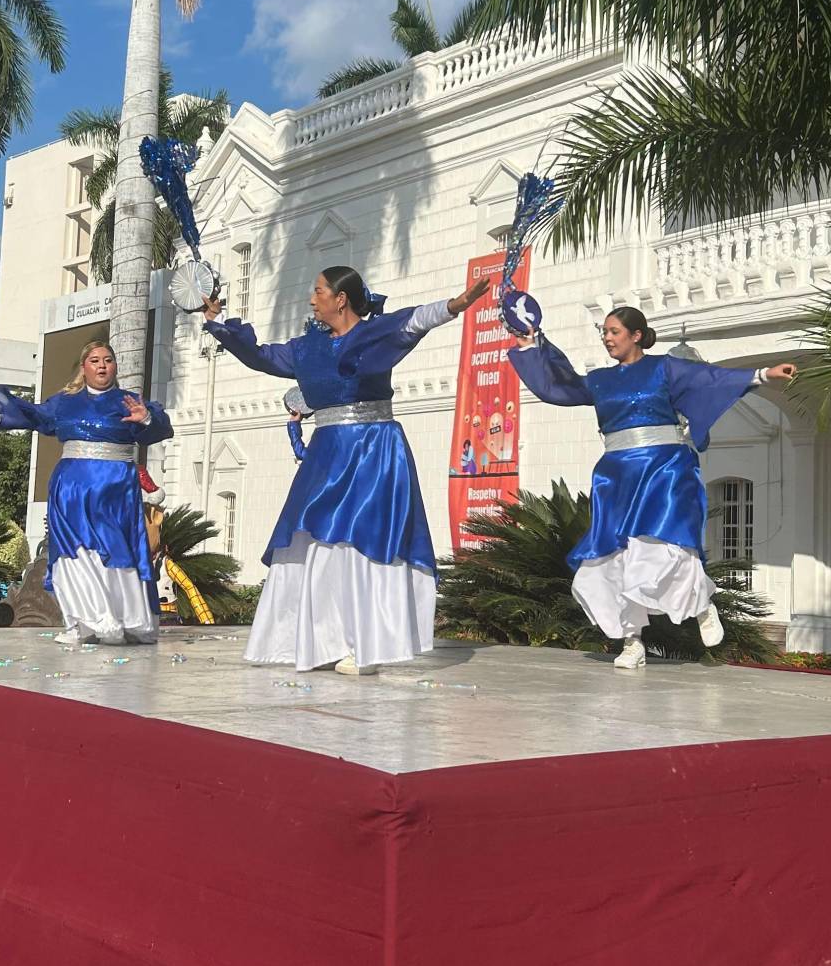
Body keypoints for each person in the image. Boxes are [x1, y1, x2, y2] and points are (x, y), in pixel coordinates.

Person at [202, 264, 489, 674]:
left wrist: (457, 304)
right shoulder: (307, 349)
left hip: (374, 447)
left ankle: (366, 644)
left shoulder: (375, 335)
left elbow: (414, 321)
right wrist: (216, 324)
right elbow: (261, 355)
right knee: (316, 538)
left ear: (341, 298)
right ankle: (318, 640)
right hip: (327, 452)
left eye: (318, 290)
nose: (311, 298)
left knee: (363, 540)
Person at [509, 307, 796, 670]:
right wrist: (532, 345)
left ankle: (702, 606)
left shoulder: (665, 368)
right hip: (616, 475)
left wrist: (762, 374)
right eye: (604, 332)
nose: (607, 338)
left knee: (664, 545)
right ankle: (632, 643)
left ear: (636, 335)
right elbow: (558, 384)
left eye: (614, 331)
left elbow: (709, 378)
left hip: (664, 467)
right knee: (615, 558)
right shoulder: (599, 380)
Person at [0, 338, 172, 647]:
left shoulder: (129, 401)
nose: (102, 365)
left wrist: (146, 419)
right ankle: (88, 621)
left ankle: (127, 619)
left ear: (115, 366)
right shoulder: (65, 402)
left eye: (108, 360)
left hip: (115, 489)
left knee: (117, 549)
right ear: (84, 367)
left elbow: (161, 428)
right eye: (94, 360)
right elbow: (34, 416)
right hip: (72, 488)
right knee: (75, 552)